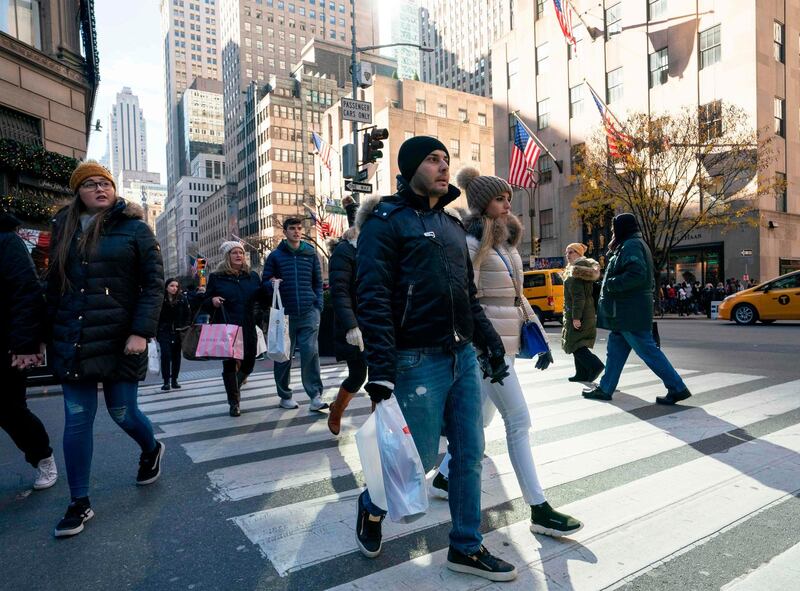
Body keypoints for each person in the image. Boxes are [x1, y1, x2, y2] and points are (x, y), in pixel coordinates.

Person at [355, 137, 517, 582]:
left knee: (469, 454)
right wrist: (381, 372)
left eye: (446, 159)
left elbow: (468, 296)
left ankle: (466, 545)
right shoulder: (386, 223)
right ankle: (370, 505)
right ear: (410, 168)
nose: (443, 167)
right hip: (414, 360)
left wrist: (490, 346)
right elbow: (372, 299)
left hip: (461, 355)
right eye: (432, 159)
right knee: (420, 459)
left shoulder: (450, 226)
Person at [429, 167, 582, 538]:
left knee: (480, 422)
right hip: (487, 350)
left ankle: (442, 477)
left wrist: (539, 336)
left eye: (508, 197)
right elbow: (468, 299)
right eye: (500, 198)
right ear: (484, 204)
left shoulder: (506, 244)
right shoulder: (470, 244)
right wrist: (485, 349)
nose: (507, 203)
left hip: (507, 344)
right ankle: (539, 508)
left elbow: (517, 297)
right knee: (519, 421)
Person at [46, 161, 165, 537]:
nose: (100, 189)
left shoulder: (135, 229)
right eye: (91, 185)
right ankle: (78, 502)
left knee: (122, 413)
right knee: (77, 419)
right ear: (78, 192)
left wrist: (141, 332)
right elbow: (51, 286)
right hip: (73, 338)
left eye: (105, 183)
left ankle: (150, 449)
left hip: (121, 339)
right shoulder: (62, 228)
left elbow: (153, 284)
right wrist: (34, 336)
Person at [584, 213, 691, 405]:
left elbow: (637, 274)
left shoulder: (631, 245)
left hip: (628, 312)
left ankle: (677, 387)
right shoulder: (629, 244)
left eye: (613, 228)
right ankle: (606, 388)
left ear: (622, 228)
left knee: (648, 351)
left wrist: (609, 284)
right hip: (625, 312)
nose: (611, 231)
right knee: (615, 350)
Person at [0, 209, 58, 491]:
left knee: (9, 409)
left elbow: (26, 290)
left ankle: (42, 455)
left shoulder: (6, 240)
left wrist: (25, 344)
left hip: (7, 342)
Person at [262, 218, 327, 412]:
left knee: (310, 352)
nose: (297, 232)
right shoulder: (275, 256)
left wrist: (318, 305)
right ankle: (284, 395)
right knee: (284, 356)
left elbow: (318, 282)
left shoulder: (311, 254)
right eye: (292, 229)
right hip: (285, 313)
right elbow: (265, 282)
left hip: (309, 311)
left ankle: (315, 395)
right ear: (285, 231)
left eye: (299, 229)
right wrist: (271, 283)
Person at [203, 241, 264, 417]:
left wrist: (272, 287)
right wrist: (212, 301)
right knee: (229, 364)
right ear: (227, 256)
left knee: (250, 362)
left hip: (248, 324)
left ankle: (235, 386)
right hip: (227, 325)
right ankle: (234, 402)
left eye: (241, 252)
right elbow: (206, 300)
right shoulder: (217, 277)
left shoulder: (252, 276)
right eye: (234, 253)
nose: (239, 255)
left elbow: (261, 297)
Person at [327, 197, 367, 435]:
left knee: (382, 377)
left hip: (378, 320)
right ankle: (336, 410)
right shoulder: (344, 251)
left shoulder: (376, 247)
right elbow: (339, 291)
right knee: (358, 375)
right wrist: (352, 326)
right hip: (354, 322)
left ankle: (379, 423)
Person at [561, 242, 604, 384]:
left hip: (582, 314)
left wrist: (576, 317)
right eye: (567, 252)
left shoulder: (577, 271)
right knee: (578, 343)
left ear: (579, 254)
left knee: (575, 344)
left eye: (571, 252)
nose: (568, 255)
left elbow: (579, 297)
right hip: (585, 312)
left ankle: (595, 366)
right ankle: (581, 373)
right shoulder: (577, 269)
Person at [157, 278, 191, 391]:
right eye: (172, 286)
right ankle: (166, 381)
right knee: (165, 355)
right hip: (164, 331)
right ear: (166, 287)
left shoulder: (182, 299)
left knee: (176, 356)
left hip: (178, 331)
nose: (174, 288)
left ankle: (174, 380)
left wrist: (184, 327)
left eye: (176, 286)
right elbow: (156, 317)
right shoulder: (161, 299)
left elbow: (187, 315)